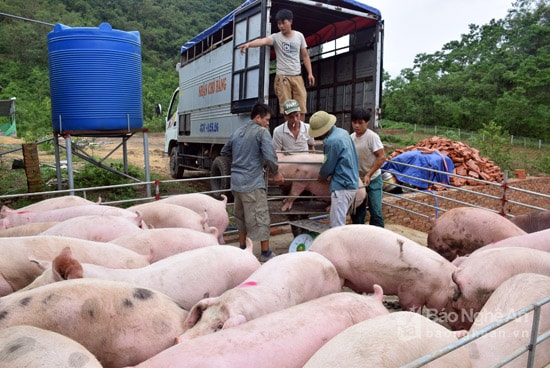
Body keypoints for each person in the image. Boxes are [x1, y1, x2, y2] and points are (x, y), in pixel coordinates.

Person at [220, 102, 284, 262]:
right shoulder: (262, 132)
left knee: (240, 216)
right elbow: (270, 155)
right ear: (257, 117)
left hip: (236, 183)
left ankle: (242, 248)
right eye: (267, 119)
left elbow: (224, 151)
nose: (268, 123)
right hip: (252, 182)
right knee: (261, 215)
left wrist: (239, 161)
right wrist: (276, 172)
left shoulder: (237, 131)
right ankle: (265, 252)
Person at [238, 9, 315, 120]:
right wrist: (249, 44)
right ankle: (289, 133)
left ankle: (300, 133)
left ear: (291, 21)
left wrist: (310, 73)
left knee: (301, 107)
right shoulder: (276, 37)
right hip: (282, 77)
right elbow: (263, 41)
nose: (281, 26)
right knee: (287, 109)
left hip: (297, 76)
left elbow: (305, 55)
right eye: (279, 24)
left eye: (283, 23)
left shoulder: (299, 36)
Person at [308, 110, 359, 227]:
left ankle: (339, 245)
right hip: (352, 182)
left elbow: (328, 165)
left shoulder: (331, 141)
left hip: (342, 186)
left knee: (337, 225)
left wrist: (322, 175)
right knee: (339, 219)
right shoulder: (343, 132)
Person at [350, 107, 386, 227]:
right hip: (358, 180)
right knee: (357, 211)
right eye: (354, 122)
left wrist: (369, 174)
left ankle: (379, 238)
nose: (357, 126)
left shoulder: (372, 137)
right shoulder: (351, 138)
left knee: (376, 211)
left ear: (367, 122)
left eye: (360, 123)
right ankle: (359, 237)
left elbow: (381, 157)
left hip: (373, 178)